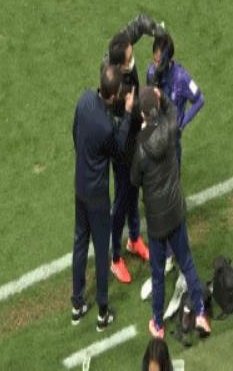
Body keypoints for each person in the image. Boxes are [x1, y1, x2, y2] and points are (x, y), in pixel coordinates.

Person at [131, 86, 211, 339]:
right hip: (175, 211)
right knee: (186, 261)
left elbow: (134, 180)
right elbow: (174, 111)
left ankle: (158, 324)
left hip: (157, 222)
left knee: (157, 275)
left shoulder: (140, 147)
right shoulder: (169, 127)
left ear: (142, 114)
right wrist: (162, 97)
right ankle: (200, 312)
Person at [101, 14, 165, 284]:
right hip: (124, 149)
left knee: (134, 191)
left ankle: (134, 239)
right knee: (122, 201)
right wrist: (153, 98)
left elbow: (136, 25)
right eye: (129, 57)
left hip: (135, 143)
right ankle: (115, 258)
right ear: (120, 65)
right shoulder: (118, 88)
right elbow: (135, 111)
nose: (132, 56)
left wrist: (155, 29)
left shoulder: (117, 49)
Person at [71, 64, 135, 331]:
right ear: (116, 94)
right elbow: (119, 149)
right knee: (101, 251)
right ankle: (102, 312)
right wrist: (128, 114)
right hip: (97, 196)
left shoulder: (84, 99)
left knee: (79, 243)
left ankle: (77, 305)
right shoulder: (107, 127)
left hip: (80, 187)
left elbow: (74, 133)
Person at [147, 32, 205, 171]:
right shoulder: (151, 73)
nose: (155, 65)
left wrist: (182, 123)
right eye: (154, 60)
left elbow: (199, 100)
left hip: (172, 140)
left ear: (168, 60)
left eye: (159, 62)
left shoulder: (181, 78)